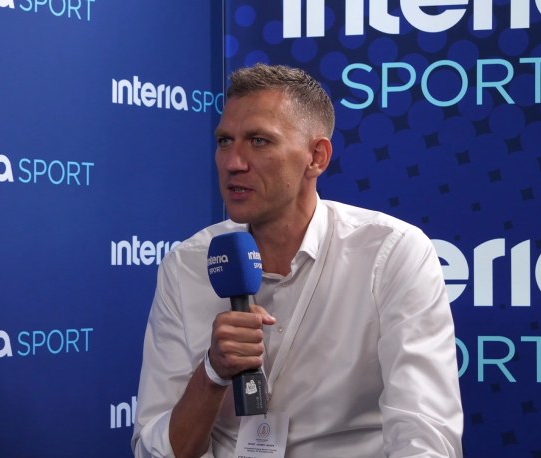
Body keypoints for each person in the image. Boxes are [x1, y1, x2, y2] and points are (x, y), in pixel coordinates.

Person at [131, 63, 463, 457]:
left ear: (316, 157)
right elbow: (154, 449)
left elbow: (425, 434)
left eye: (259, 141)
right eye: (224, 141)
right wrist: (212, 371)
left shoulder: (391, 252)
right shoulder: (186, 264)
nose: (233, 162)